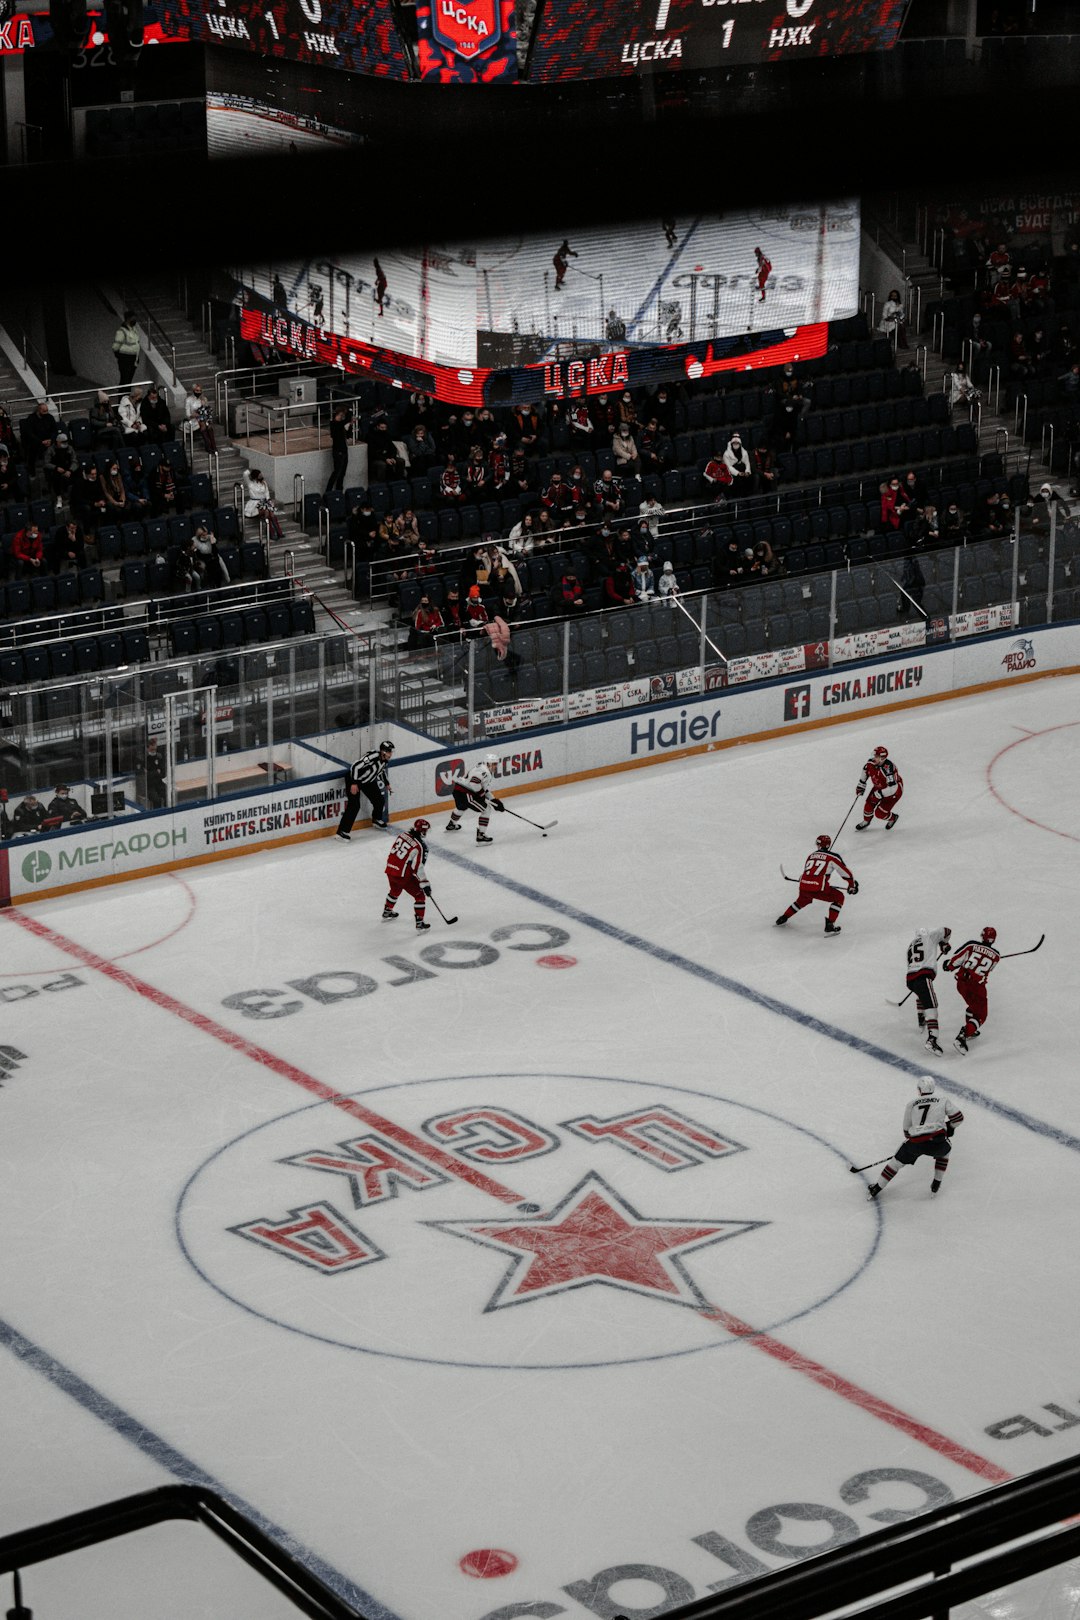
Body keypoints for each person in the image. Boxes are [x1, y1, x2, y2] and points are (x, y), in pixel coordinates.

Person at [865, 1078, 964, 1202]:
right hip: (937, 1141)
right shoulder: (943, 1100)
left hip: (915, 1143)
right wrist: (950, 1127)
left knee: (896, 1163)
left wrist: (916, 1141)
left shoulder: (911, 1104)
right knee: (945, 1152)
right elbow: (958, 1118)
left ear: (920, 1089)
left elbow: (906, 1131)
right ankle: (936, 1184)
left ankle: (877, 1187)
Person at [775, 833, 857, 935]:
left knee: (802, 900)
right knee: (839, 897)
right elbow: (846, 873)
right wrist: (851, 885)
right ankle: (830, 925)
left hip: (804, 884)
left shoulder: (811, 856)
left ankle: (783, 917)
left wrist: (804, 880)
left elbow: (808, 872)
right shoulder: (833, 857)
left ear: (819, 845)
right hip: (819, 888)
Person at [945, 926, 1002, 1054]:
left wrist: (948, 966)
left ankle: (970, 1030)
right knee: (981, 1015)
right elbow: (989, 967)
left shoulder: (971, 945)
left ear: (982, 936)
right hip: (977, 987)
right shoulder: (996, 956)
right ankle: (963, 1035)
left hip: (962, 984)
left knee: (973, 1007)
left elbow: (956, 959)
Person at [904, 925, 953, 1055]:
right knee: (932, 1006)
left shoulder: (911, 945)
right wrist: (944, 944)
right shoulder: (930, 936)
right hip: (923, 976)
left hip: (910, 979)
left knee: (922, 995)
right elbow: (947, 930)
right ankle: (932, 1040)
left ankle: (921, 1018)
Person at [337, 740, 395, 839]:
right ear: (383, 752)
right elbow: (355, 766)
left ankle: (376, 819)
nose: (391, 754)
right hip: (354, 779)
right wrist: (354, 783)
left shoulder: (384, 761)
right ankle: (342, 831)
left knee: (379, 800)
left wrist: (387, 783)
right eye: (389, 751)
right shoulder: (373, 757)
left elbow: (381, 771)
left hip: (368, 781)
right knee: (354, 805)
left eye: (391, 752)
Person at [383, 819, 432, 931]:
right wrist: (425, 883)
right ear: (422, 831)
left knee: (395, 890)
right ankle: (420, 923)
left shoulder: (402, 835)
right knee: (420, 896)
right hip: (402, 875)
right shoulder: (419, 846)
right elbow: (417, 867)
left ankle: (387, 911)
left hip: (390, 870)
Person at [445, 754, 504, 845]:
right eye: (494, 764)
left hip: (458, 789)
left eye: (496, 764)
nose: (495, 766)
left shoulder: (481, 767)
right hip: (466, 793)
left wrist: (493, 800)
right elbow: (474, 783)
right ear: (488, 763)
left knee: (462, 807)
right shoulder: (486, 772)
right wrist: (482, 796)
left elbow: (482, 787)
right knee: (486, 809)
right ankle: (481, 837)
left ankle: (451, 824)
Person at [855, 744, 903, 831]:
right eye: (874, 755)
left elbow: (893, 788)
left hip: (893, 793)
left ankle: (893, 818)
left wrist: (881, 793)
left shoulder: (889, 769)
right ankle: (866, 821)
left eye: (876, 756)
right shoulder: (871, 763)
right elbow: (866, 770)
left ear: (882, 758)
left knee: (880, 813)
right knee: (868, 805)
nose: (874, 758)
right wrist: (861, 785)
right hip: (879, 787)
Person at [243, 468, 283, 538]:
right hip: (255, 503)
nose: (261, 476)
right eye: (259, 474)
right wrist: (251, 471)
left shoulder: (264, 483)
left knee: (271, 513)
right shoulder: (250, 483)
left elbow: (267, 493)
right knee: (267, 511)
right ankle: (271, 533)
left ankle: (278, 532)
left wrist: (269, 500)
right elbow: (245, 474)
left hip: (264, 502)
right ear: (255, 476)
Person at [185, 383, 217, 454]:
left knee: (208, 424)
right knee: (203, 423)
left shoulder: (204, 399)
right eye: (197, 390)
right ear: (193, 390)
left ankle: (213, 445)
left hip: (203, 418)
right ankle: (208, 444)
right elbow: (187, 414)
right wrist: (195, 415)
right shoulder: (188, 400)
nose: (198, 392)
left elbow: (207, 410)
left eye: (200, 391)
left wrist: (204, 404)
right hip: (193, 419)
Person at [112, 310, 141, 385]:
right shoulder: (121, 331)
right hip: (125, 360)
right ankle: (122, 396)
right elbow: (115, 347)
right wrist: (122, 357)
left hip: (133, 359)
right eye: (133, 319)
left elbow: (136, 344)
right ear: (128, 319)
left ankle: (126, 396)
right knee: (125, 381)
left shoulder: (134, 330)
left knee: (129, 381)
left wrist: (137, 359)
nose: (135, 321)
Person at [326, 407, 350, 493]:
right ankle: (328, 491)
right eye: (342, 415)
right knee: (337, 472)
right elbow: (336, 432)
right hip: (338, 450)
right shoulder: (334, 424)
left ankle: (339, 490)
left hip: (344, 449)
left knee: (342, 473)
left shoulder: (341, 424)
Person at [145, 736, 168, 809]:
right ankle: (157, 815)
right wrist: (156, 772)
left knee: (168, 794)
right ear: (147, 748)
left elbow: (164, 773)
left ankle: (167, 811)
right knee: (156, 800)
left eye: (155, 749)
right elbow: (146, 776)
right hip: (149, 786)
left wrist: (155, 773)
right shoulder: (145, 759)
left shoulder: (159, 756)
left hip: (159, 782)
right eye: (152, 750)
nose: (153, 752)